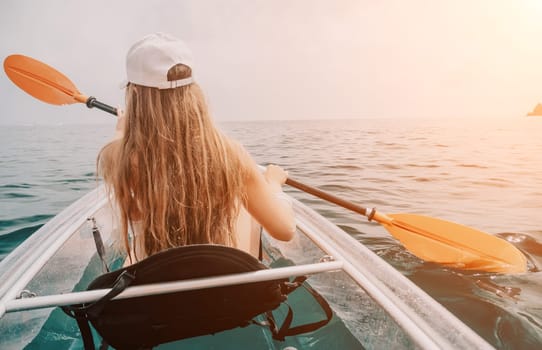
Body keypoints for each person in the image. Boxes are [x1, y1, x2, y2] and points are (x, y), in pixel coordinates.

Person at [98, 32, 296, 264]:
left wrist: (121, 131)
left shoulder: (116, 157)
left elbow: (134, 214)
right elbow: (285, 230)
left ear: (134, 94)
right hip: (217, 289)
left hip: (152, 290)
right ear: (193, 93)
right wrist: (273, 184)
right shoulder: (230, 154)